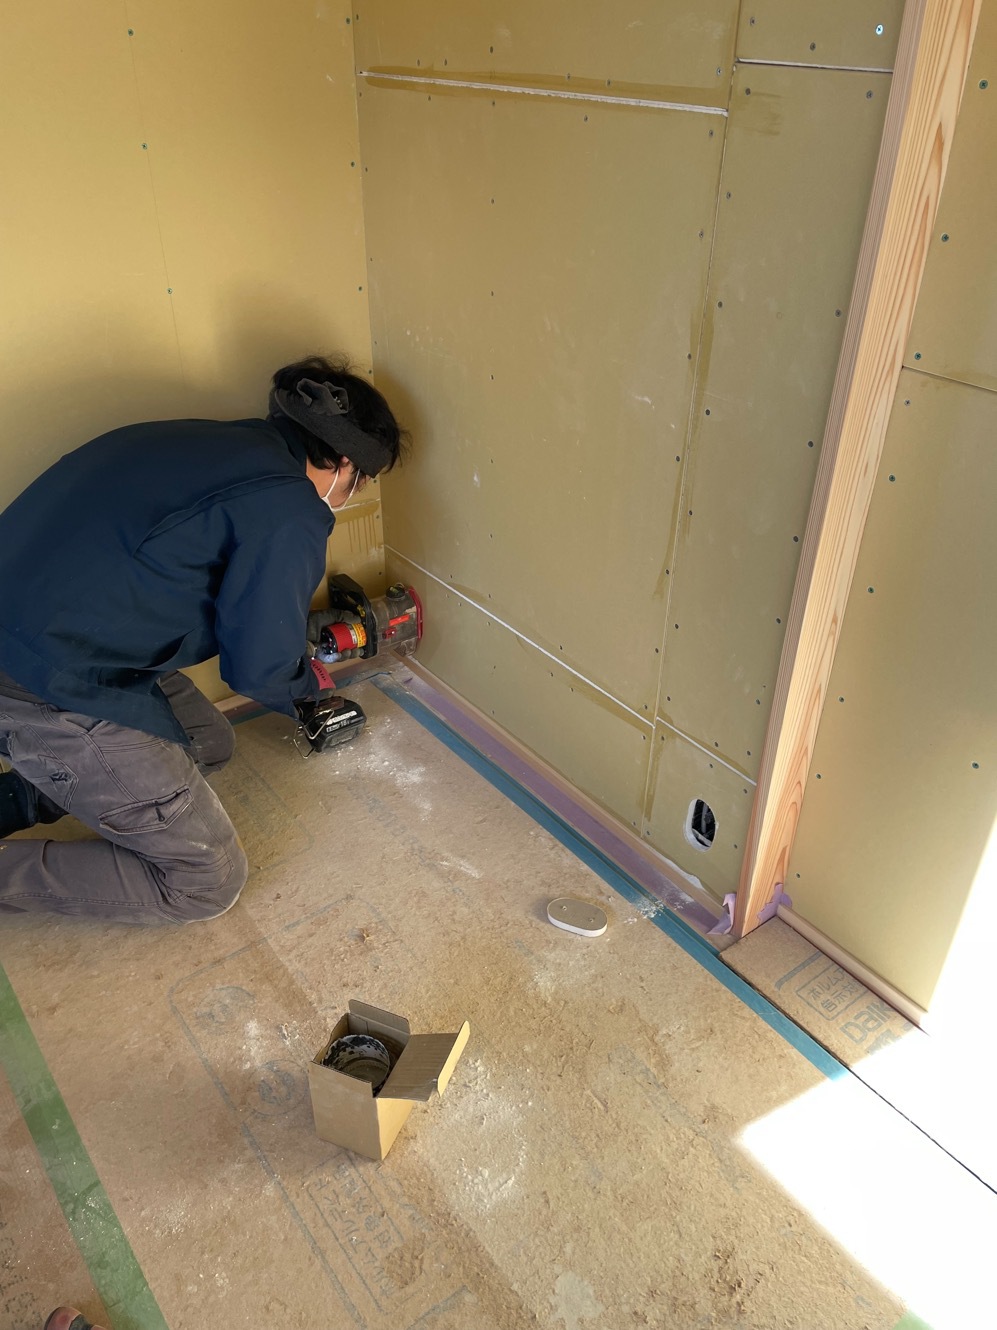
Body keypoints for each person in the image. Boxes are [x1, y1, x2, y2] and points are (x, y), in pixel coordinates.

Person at [0, 355, 405, 923]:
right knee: (206, 882)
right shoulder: (290, 511)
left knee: (208, 742)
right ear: (343, 463)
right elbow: (257, 668)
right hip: (46, 678)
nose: (353, 492)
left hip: (58, 636)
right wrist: (309, 691)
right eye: (361, 481)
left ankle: (15, 800)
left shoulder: (212, 441)